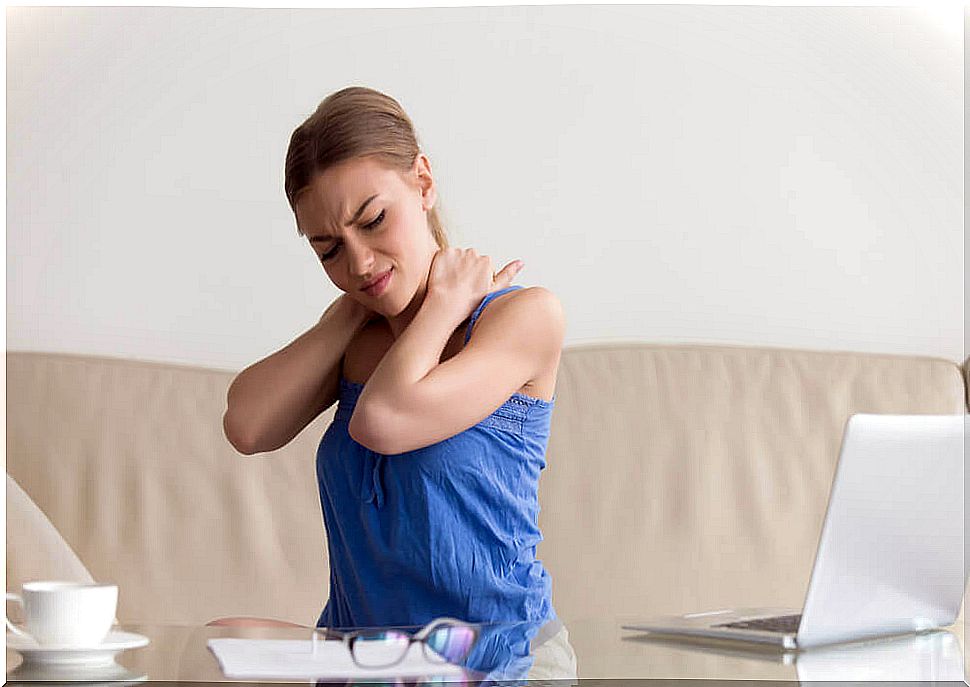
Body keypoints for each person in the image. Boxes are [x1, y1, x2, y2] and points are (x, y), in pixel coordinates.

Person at [211, 86, 576, 680]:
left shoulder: (522, 318)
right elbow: (247, 426)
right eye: (328, 249)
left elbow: (384, 421)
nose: (357, 264)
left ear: (423, 183)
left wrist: (444, 305)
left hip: (492, 664)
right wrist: (356, 307)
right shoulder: (355, 329)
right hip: (365, 665)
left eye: (374, 221)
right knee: (218, 645)